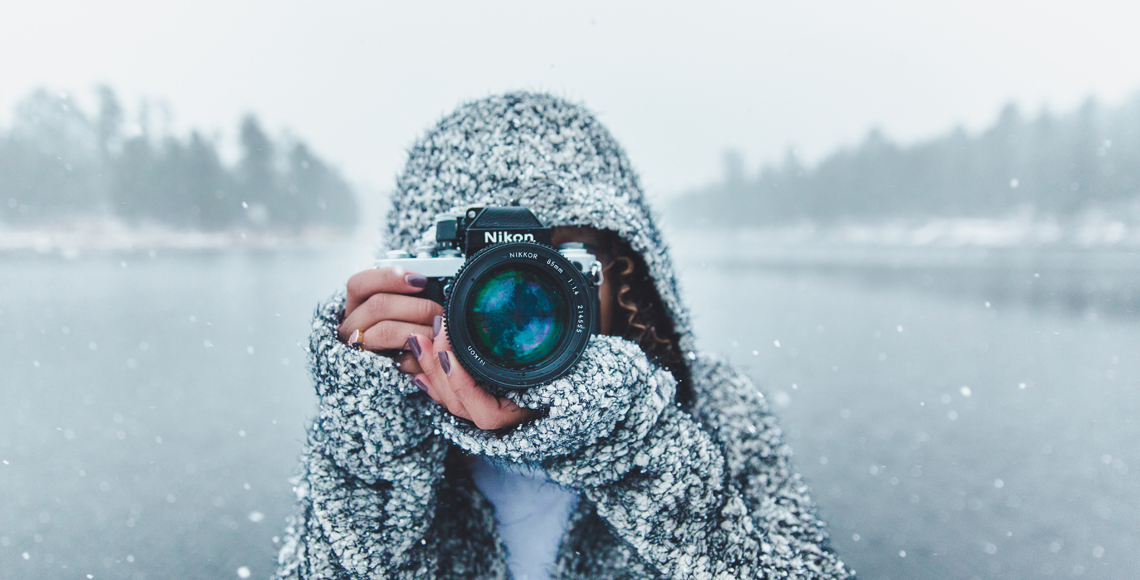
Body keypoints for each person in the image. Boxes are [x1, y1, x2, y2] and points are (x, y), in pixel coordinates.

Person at [276, 93, 854, 579]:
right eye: (475, 277)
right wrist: (374, 451)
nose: (513, 310)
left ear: (621, 276)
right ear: (418, 281)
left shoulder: (715, 411)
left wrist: (635, 447)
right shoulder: (385, 432)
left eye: (553, 272)